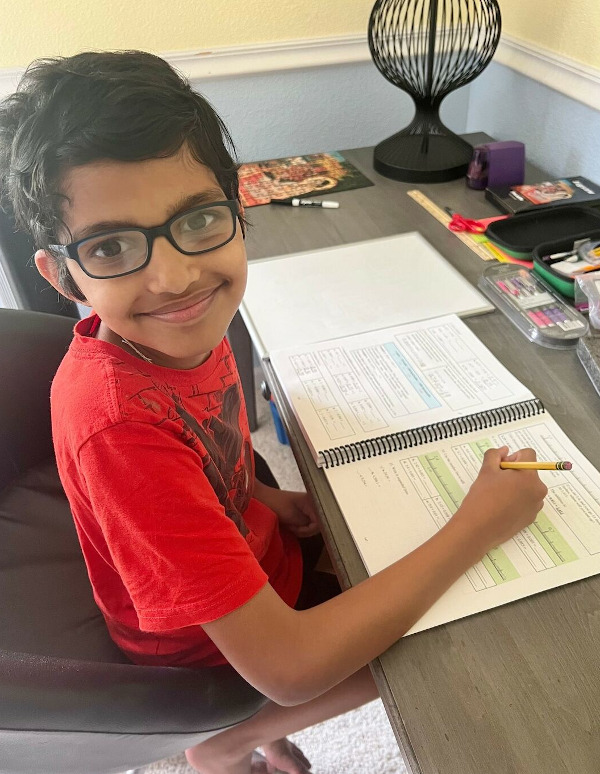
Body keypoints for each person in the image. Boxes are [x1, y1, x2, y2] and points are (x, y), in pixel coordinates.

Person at [0, 51, 547, 774]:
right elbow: (287, 667)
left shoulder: (170, 331)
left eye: (197, 221)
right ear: (61, 273)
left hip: (253, 556)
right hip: (211, 656)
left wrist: (262, 495)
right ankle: (224, 745)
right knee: (447, 634)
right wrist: (480, 523)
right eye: (110, 246)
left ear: (237, 207)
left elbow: (210, 436)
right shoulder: (122, 426)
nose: (175, 277)